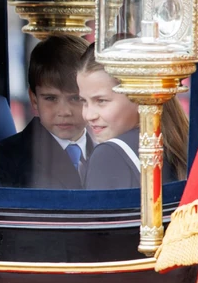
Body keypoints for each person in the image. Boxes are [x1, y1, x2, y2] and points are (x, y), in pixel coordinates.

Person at [77, 43, 188, 190]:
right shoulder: (179, 142)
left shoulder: (109, 154)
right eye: (83, 101)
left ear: (138, 95)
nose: (89, 115)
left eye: (101, 101)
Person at [0, 34, 91, 189]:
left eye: (75, 98)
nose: (64, 111)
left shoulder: (110, 152)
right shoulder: (5, 160)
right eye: (51, 98)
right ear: (34, 99)